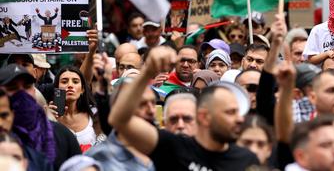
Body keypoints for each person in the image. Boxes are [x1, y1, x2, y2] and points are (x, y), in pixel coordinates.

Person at [109, 46, 259, 170]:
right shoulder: (172, 147)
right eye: (230, 112)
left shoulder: (247, 160)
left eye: (237, 112)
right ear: (204, 117)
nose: (240, 119)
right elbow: (119, 119)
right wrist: (147, 72)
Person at [85, 81, 156, 171]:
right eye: (142, 104)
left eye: (153, 103)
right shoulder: (96, 159)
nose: (151, 111)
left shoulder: (165, 148)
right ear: (120, 110)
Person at [52, 66, 105, 152]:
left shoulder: (95, 114)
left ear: (82, 90)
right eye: (64, 82)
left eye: (75, 82)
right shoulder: (48, 116)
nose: (70, 85)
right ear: (56, 88)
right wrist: (48, 119)